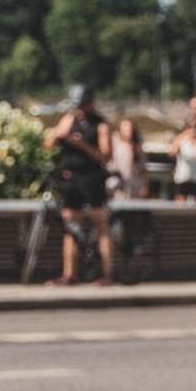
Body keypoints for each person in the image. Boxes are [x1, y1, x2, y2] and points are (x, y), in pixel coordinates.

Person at [42, 83, 116, 287]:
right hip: (71, 178)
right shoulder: (68, 119)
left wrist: (82, 144)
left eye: (83, 105)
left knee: (100, 224)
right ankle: (69, 273)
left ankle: (106, 273)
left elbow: (105, 156)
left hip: (92, 178)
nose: (80, 109)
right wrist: (58, 134)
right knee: (71, 227)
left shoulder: (100, 124)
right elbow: (48, 145)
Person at [168, 115, 196, 203]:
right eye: (190, 126)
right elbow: (171, 152)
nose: (194, 129)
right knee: (180, 203)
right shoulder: (182, 140)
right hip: (182, 177)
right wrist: (184, 134)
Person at [109, 116, 150, 201]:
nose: (128, 132)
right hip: (117, 185)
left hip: (134, 185)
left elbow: (143, 169)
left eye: (130, 129)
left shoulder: (137, 147)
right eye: (125, 130)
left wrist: (144, 185)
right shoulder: (113, 143)